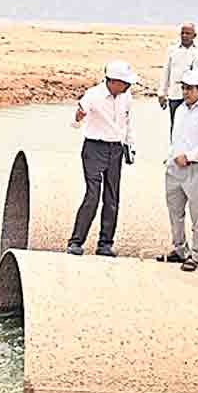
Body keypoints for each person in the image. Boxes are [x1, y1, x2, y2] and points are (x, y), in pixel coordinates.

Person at [67, 61, 137, 257]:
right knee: (93, 194)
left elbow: (127, 122)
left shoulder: (126, 97)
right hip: (94, 148)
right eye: (125, 83)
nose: (128, 86)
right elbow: (74, 121)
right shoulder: (93, 95)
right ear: (113, 81)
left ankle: (105, 244)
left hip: (116, 149)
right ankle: (76, 242)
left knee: (112, 197)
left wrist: (130, 145)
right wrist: (78, 117)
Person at [158, 68, 198, 272]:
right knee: (175, 211)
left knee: (197, 213)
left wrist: (190, 157)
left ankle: (196, 253)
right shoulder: (180, 109)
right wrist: (171, 156)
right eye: (184, 88)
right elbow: (176, 137)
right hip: (174, 167)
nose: (186, 92)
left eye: (190, 89)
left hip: (196, 168)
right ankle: (179, 249)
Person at [158, 23, 198, 133]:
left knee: (193, 125)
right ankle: (175, 149)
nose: (185, 36)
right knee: (176, 125)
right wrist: (162, 93)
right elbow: (166, 72)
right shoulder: (172, 50)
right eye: (182, 33)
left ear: (194, 35)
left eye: (188, 33)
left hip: (194, 95)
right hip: (175, 94)